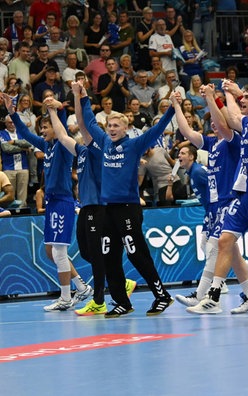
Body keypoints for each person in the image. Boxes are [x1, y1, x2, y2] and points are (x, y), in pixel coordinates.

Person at [72, 81, 175, 317]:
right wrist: (84, 95)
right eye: (109, 125)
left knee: (136, 254)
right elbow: (88, 121)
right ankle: (121, 302)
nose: (111, 129)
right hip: (108, 210)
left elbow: (157, 130)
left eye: (116, 125)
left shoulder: (134, 145)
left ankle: (162, 296)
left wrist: (171, 107)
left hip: (128, 209)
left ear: (125, 128)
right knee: (109, 255)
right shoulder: (105, 142)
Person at [188, 84, 248, 326]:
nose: (243, 101)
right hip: (243, 195)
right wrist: (225, 94)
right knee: (224, 240)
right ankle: (214, 296)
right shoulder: (244, 125)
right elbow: (229, 117)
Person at [48, 89, 137, 315]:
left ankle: (99, 300)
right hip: (85, 207)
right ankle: (122, 282)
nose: (82, 132)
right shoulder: (82, 151)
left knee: (97, 255)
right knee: (88, 253)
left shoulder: (99, 150)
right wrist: (52, 112)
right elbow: (61, 135)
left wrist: (79, 97)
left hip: (99, 207)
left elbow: (81, 121)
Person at [2, 92, 93, 311]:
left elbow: (60, 126)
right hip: (52, 203)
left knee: (59, 252)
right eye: (41, 128)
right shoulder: (48, 147)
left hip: (63, 202)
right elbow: (24, 133)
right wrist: (11, 112)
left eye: (46, 127)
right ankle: (80, 286)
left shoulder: (62, 146)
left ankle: (65, 298)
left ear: (55, 129)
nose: (42, 131)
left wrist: (56, 108)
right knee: (50, 252)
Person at [170, 86, 248, 309]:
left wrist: (210, 98)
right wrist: (176, 104)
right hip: (216, 205)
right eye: (210, 121)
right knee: (231, 253)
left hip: (230, 201)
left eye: (216, 119)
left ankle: (203, 295)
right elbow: (187, 132)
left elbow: (224, 125)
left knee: (215, 247)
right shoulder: (213, 144)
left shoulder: (233, 141)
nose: (212, 123)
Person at [0, 115, 31, 208]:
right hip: (9, 168)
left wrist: (13, 142)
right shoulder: (1, 133)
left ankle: (22, 215)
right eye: (9, 122)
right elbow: (6, 148)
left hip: (23, 167)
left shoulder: (22, 132)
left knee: (23, 198)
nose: (12, 124)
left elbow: (29, 143)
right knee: (10, 196)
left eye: (13, 122)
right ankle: (10, 216)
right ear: (5, 123)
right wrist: (23, 148)